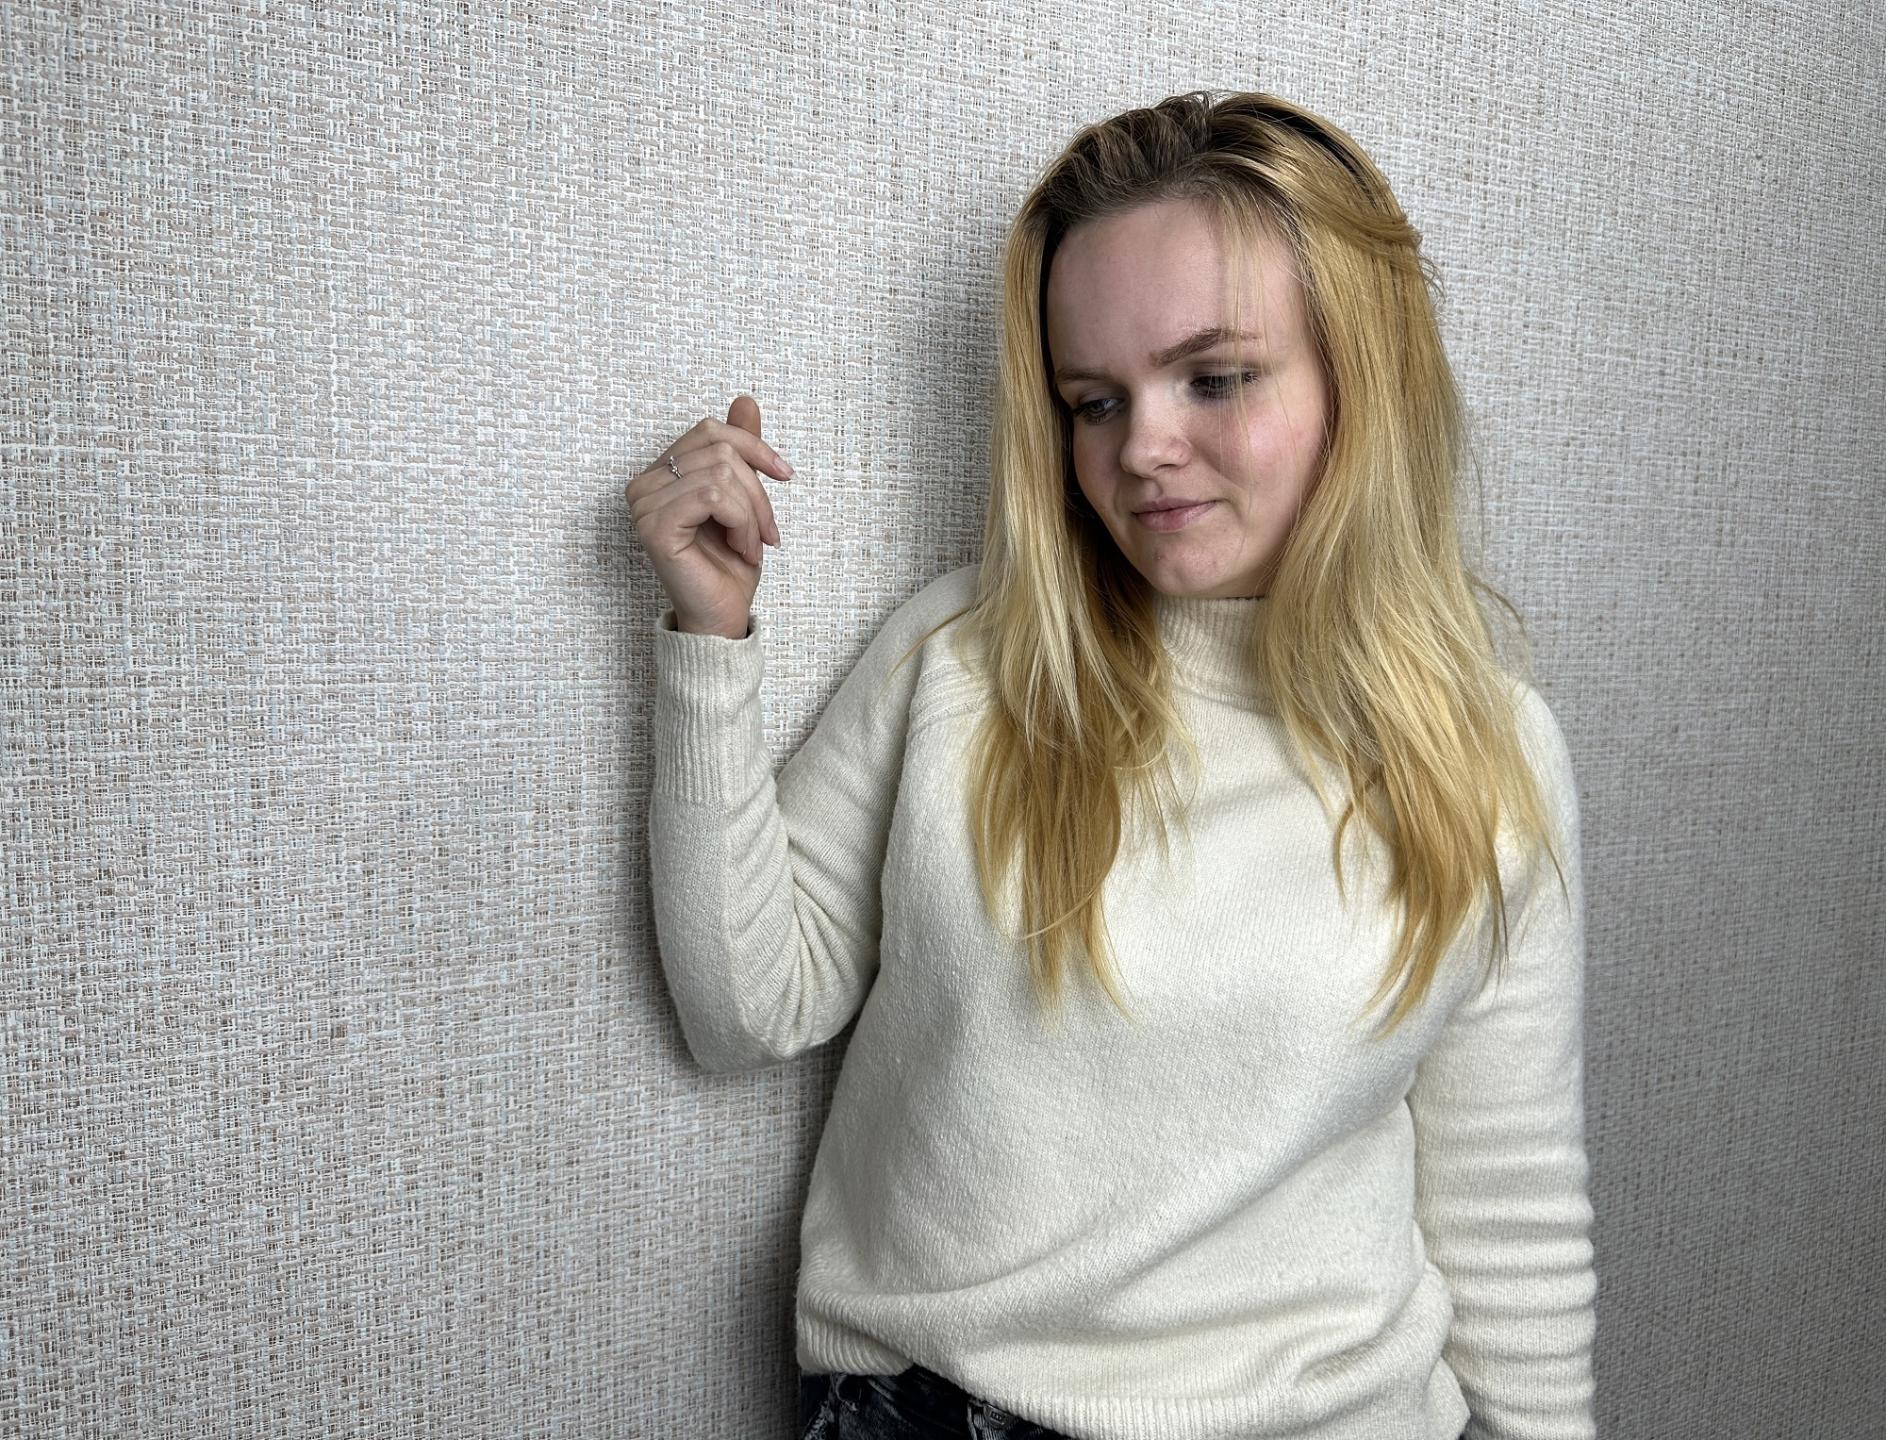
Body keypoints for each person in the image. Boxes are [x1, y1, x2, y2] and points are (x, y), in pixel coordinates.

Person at [626, 90, 1594, 1440]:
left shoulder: (1482, 751)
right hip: (932, 1410)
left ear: (1360, 381)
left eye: (1216, 377)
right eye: (1093, 400)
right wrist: (708, 643)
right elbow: (748, 1007)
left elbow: (1511, 1216)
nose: (1140, 447)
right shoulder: (961, 662)